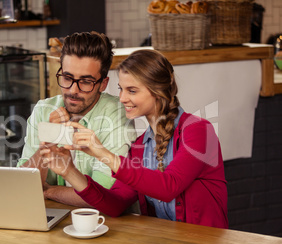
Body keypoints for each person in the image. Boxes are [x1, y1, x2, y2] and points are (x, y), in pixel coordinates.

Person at [40, 49, 229, 228]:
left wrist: (103, 153)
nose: (121, 98)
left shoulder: (199, 131)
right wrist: (69, 171)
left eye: (132, 90)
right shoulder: (140, 146)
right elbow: (115, 204)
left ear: (158, 91)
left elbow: (168, 187)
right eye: (121, 89)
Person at [17, 31, 136, 207]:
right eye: (67, 78)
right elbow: (22, 186)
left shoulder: (117, 114)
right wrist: (48, 140)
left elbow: (102, 196)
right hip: (57, 219)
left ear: (103, 84)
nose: (73, 90)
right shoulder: (43, 110)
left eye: (86, 81)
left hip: (105, 223)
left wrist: (49, 191)